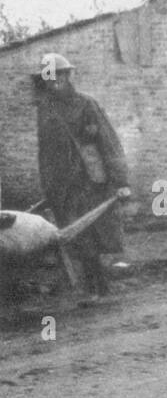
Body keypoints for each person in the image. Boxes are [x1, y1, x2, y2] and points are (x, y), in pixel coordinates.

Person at [33, 52, 132, 301]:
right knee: (76, 236)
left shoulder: (86, 104)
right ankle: (94, 287)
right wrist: (48, 185)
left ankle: (101, 286)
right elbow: (45, 152)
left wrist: (120, 181)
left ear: (68, 76)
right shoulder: (45, 110)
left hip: (91, 180)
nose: (56, 81)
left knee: (99, 232)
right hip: (63, 185)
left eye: (61, 75)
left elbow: (108, 143)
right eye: (50, 77)